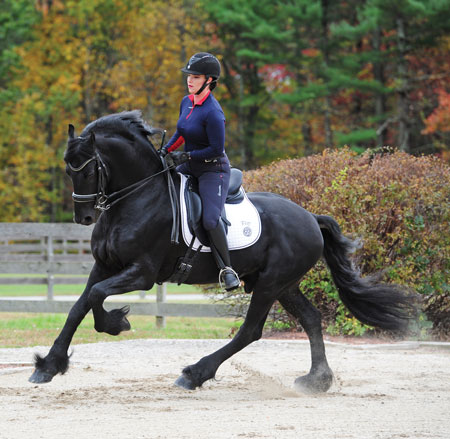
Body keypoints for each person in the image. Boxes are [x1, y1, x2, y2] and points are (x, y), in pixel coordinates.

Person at [160, 52, 240, 291]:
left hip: (213, 170)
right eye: (189, 76)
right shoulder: (187, 102)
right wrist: (164, 150)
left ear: (209, 80)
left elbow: (216, 148)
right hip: (189, 164)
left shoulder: (214, 113)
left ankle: (227, 269)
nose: (189, 80)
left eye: (195, 77)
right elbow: (181, 132)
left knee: (210, 218)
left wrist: (186, 156)